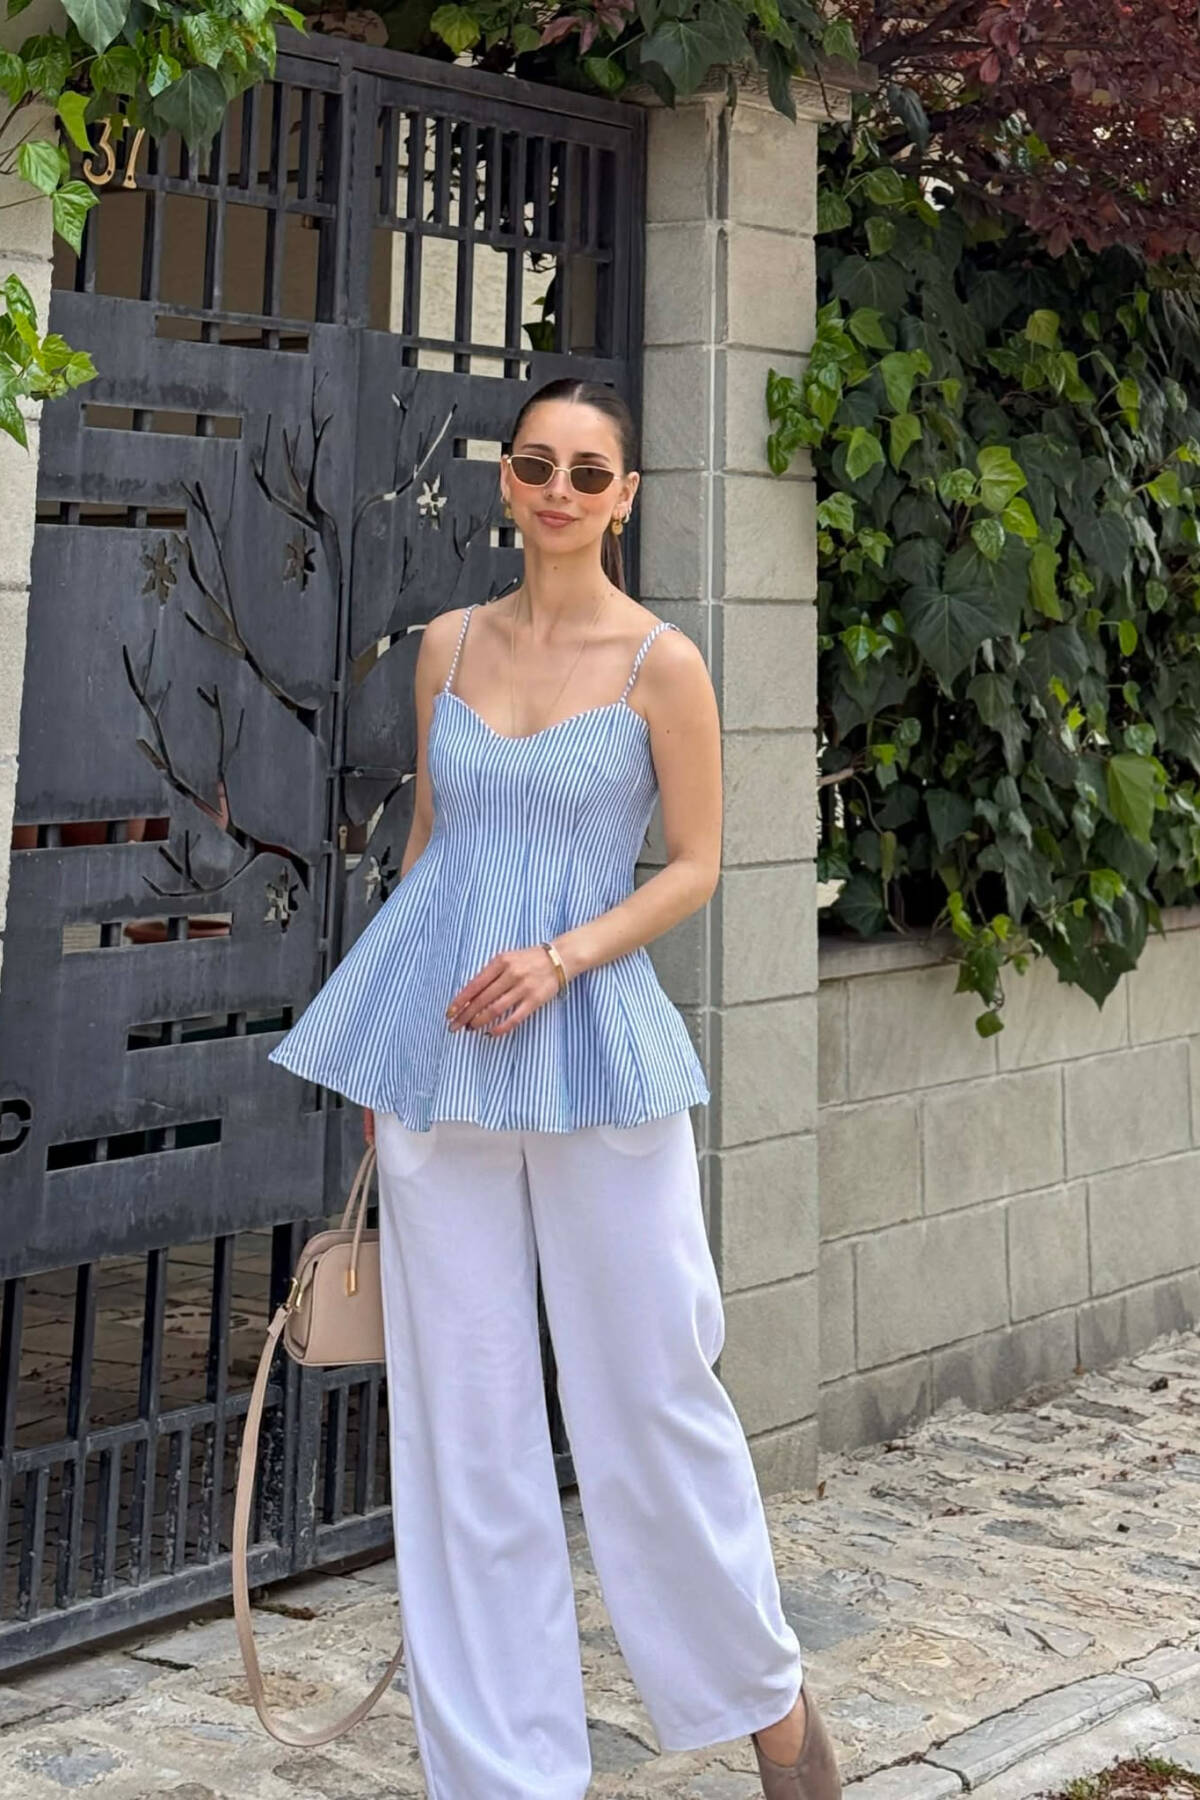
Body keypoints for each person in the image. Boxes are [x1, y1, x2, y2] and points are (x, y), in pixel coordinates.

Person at [266, 377, 842, 1800]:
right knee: (463, 1423)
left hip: (599, 1059)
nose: (561, 491)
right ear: (507, 483)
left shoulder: (664, 664)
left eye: (591, 471)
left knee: (650, 1390)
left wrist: (563, 957)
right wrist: (386, 1050)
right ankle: (503, 1776)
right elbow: (428, 851)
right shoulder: (449, 647)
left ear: (626, 495)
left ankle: (765, 1700)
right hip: (442, 1064)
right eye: (538, 465)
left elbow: (697, 865)